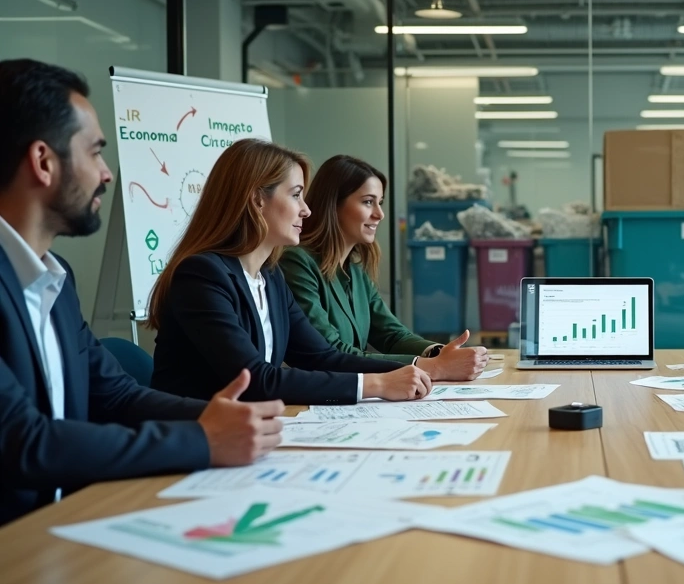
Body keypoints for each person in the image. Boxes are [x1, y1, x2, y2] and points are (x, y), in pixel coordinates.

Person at [0, 59, 282, 524]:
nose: (108, 173)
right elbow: (25, 442)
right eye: (94, 153)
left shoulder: (57, 278)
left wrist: (218, 417)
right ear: (44, 162)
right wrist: (203, 439)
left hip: (61, 530)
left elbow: (116, 396)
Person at [146, 139, 432, 406]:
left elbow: (322, 357)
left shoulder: (270, 277)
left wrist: (412, 368)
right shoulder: (202, 276)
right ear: (258, 200)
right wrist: (376, 385)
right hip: (200, 441)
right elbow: (256, 380)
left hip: (252, 434)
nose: (306, 210)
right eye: (296, 195)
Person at [279, 154, 487, 380]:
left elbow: (393, 335)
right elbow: (332, 351)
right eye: (368, 202)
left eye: (380, 202)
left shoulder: (355, 270)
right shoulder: (297, 261)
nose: (380, 214)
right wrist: (430, 365)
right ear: (333, 204)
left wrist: (440, 352)